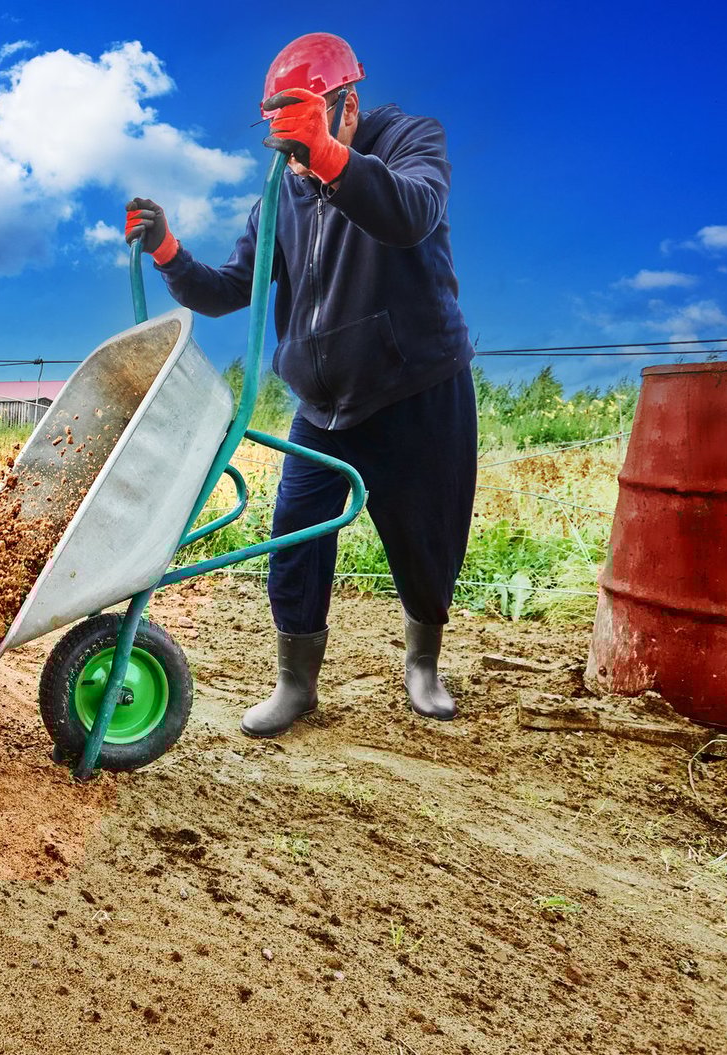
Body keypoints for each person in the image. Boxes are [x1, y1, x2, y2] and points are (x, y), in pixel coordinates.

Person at [124, 31, 477, 738]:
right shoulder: (282, 193)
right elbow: (230, 289)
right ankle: (295, 683)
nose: (294, 156)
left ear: (349, 104)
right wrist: (168, 250)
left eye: (309, 127)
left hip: (416, 386)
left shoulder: (412, 141)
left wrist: (329, 155)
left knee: (424, 535)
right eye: (287, 141)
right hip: (322, 402)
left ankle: (423, 667)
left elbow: (411, 215)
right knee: (295, 538)